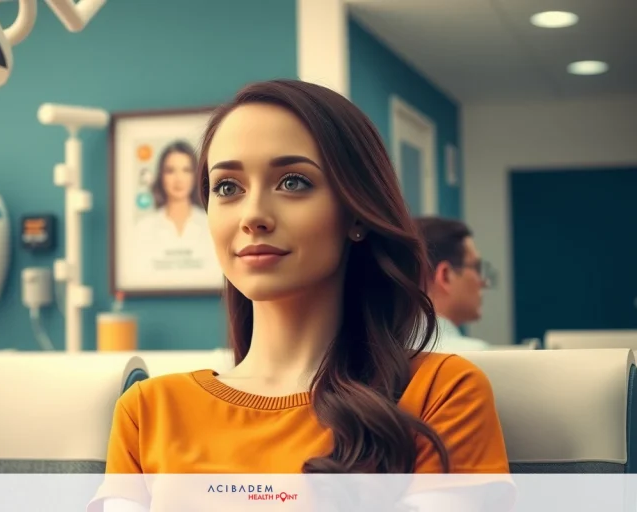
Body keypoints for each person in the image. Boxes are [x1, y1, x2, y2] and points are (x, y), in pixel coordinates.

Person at [92, 80, 513, 511]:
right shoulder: (148, 411)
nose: (253, 214)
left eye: (293, 182)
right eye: (227, 187)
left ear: (356, 212)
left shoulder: (440, 393)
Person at [128, 140, 221, 288]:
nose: (179, 179)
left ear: (195, 176)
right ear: (161, 176)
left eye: (186, 170)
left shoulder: (211, 225)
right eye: (170, 171)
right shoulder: (143, 228)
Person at [414, 217, 492, 352]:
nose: (485, 282)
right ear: (445, 276)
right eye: (477, 268)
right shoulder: (475, 355)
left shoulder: (382, 355)